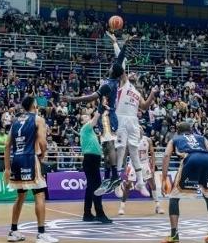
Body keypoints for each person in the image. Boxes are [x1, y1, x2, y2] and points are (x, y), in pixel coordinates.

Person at [64, 36, 133, 195]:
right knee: (106, 147)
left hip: (107, 115)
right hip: (107, 115)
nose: (110, 66)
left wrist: (72, 99)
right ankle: (109, 177)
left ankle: (115, 176)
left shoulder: (108, 84)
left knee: (109, 146)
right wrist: (123, 44)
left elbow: (91, 98)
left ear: (112, 71)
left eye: (111, 66)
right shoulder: (113, 80)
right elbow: (120, 58)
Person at [108, 32, 158, 197]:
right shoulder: (124, 82)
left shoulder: (137, 92)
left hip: (133, 120)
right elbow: (120, 62)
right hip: (121, 117)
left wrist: (152, 94)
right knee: (121, 150)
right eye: (132, 73)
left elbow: (144, 107)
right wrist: (119, 43)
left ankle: (140, 182)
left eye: (136, 74)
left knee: (134, 150)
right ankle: (118, 182)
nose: (134, 74)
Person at [4, 96, 58, 243]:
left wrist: (7, 168)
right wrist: (42, 154)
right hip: (30, 158)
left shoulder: (15, 121)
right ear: (34, 105)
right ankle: (41, 234)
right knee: (39, 195)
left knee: (20, 196)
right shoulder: (38, 119)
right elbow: (42, 141)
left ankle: (13, 231)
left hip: (16, 160)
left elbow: (7, 145)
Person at [160, 122, 208, 243]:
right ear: (191, 130)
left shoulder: (175, 139)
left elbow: (166, 155)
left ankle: (174, 236)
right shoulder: (201, 137)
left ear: (177, 131)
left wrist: (164, 178)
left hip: (192, 158)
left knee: (174, 198)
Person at [118, 131, 164, 216]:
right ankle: (122, 207)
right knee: (128, 185)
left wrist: (153, 167)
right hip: (133, 163)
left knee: (153, 184)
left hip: (145, 163)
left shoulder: (148, 140)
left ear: (142, 131)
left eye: (141, 129)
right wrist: (125, 167)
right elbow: (125, 154)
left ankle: (158, 206)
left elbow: (152, 154)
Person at [80, 110, 112, 224]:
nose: (87, 118)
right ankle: (100, 214)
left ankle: (87, 214)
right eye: (85, 117)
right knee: (97, 187)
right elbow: (94, 120)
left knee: (90, 187)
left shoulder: (91, 132)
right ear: (82, 121)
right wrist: (100, 110)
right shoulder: (85, 128)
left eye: (87, 116)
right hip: (90, 159)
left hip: (93, 159)